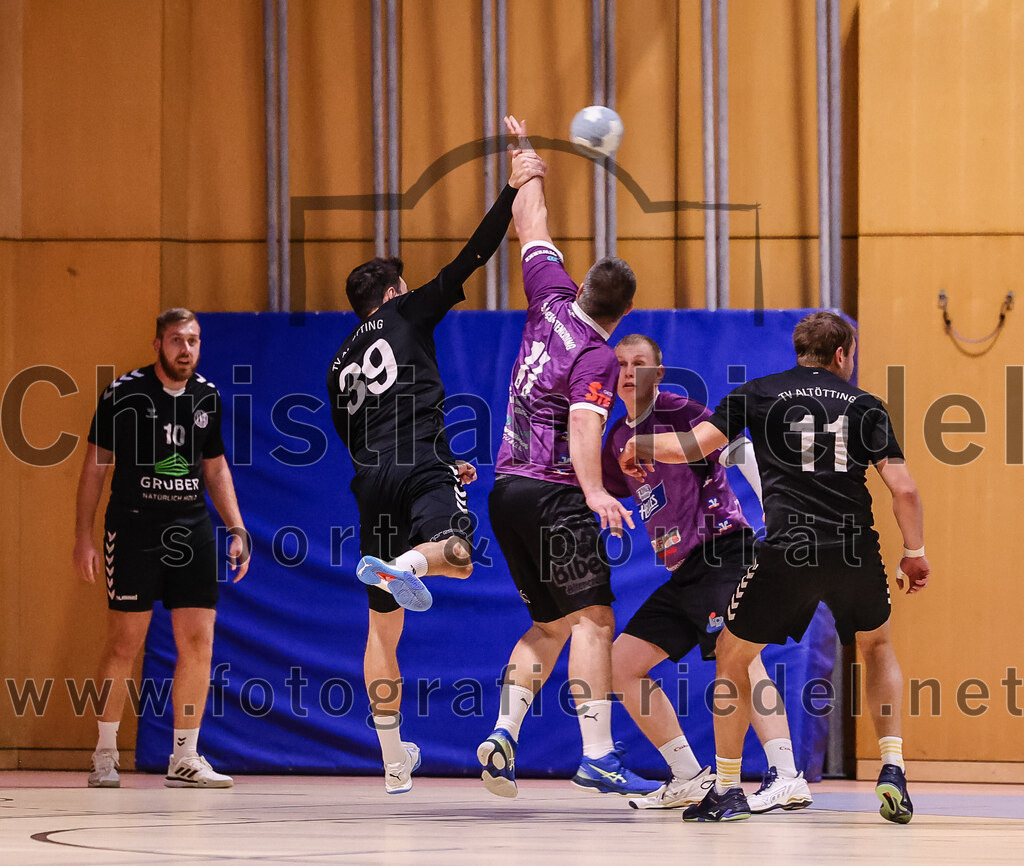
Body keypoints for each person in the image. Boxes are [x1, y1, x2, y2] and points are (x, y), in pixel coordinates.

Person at [620, 311, 929, 823]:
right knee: (877, 647)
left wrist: (640, 443)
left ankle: (724, 786)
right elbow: (905, 489)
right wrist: (914, 554)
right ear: (841, 357)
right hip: (855, 549)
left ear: (800, 351)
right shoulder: (867, 405)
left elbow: (694, 446)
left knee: (732, 656)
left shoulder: (758, 393)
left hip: (790, 551)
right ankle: (893, 766)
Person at [326, 144, 547, 794]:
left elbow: (356, 436)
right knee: (456, 555)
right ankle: (407, 567)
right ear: (392, 293)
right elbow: (470, 258)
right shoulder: (406, 311)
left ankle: (395, 760)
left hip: (372, 480)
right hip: (419, 463)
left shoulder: (338, 364)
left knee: (380, 629)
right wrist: (510, 193)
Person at [478, 116, 657, 800]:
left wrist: (525, 162)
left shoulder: (550, 299)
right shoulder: (599, 354)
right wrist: (593, 494)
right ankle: (599, 753)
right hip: (553, 491)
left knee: (550, 624)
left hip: (505, 491)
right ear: (626, 310)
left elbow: (531, 224)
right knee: (595, 620)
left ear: (581, 286)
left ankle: (502, 732)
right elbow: (585, 426)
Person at [601, 334, 812, 813]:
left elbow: (743, 453)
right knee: (622, 664)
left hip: (723, 553)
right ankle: (688, 776)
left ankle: (786, 773)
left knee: (739, 659)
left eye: (639, 364)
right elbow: (604, 488)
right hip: (683, 572)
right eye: (620, 365)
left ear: (659, 371)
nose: (629, 372)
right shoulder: (617, 439)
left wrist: (776, 514)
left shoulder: (680, 412)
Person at [73, 308, 250, 789]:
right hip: (132, 528)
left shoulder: (206, 397)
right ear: (157, 345)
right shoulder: (123, 394)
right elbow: (94, 469)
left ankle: (185, 756)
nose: (186, 349)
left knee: (198, 642)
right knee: (124, 643)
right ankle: (105, 753)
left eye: (193, 340)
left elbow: (215, 468)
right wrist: (82, 537)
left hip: (190, 528)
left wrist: (235, 527)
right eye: (176, 340)